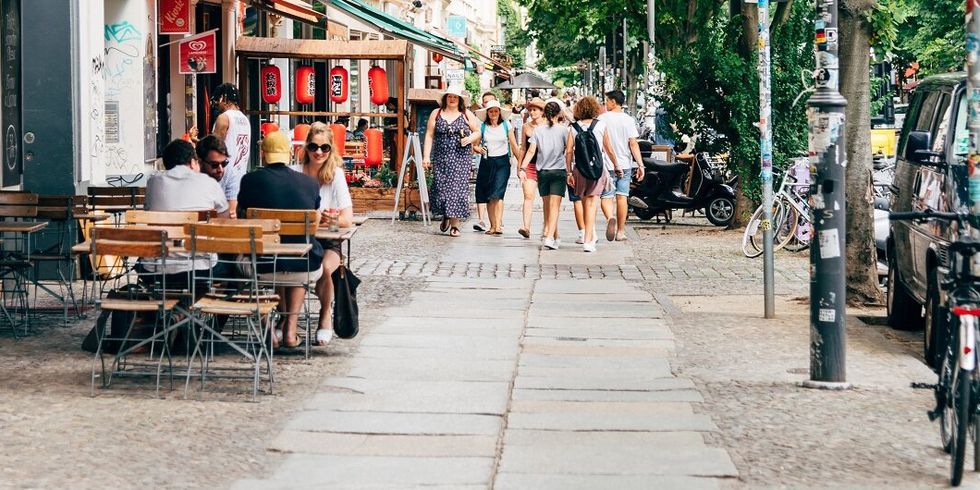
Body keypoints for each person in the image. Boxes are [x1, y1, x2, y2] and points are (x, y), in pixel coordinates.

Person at [237, 130, 324, 349]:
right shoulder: (309, 183)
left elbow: (241, 218)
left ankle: (268, 329)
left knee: (236, 264)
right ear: (290, 154)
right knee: (301, 255)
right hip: (304, 266)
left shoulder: (249, 181)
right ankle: (290, 331)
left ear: (263, 154)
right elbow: (315, 219)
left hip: (261, 266)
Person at [292, 122, 353, 347]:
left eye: (324, 147)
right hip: (299, 238)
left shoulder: (335, 174)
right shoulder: (295, 172)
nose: (318, 152)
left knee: (326, 268)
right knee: (286, 266)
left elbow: (348, 217)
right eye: (314, 147)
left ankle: (325, 314)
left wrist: (332, 219)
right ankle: (287, 319)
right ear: (306, 147)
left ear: (331, 149)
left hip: (328, 240)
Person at [143, 139, 230, 288]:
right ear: (192, 162)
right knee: (230, 265)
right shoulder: (209, 183)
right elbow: (224, 221)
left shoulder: (153, 183)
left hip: (157, 270)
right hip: (201, 268)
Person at [422, 85, 481, 237]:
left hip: (461, 158)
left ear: (460, 100)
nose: (452, 99)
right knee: (441, 189)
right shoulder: (436, 113)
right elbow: (429, 135)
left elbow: (477, 132)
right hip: (441, 157)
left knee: (456, 190)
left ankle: (455, 225)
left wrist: (469, 139)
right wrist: (426, 156)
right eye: (450, 96)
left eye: (455, 97)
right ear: (445, 98)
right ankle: (446, 214)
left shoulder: (466, 114)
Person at [566, 96, 619, 252]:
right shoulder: (600, 125)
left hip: (579, 169)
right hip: (597, 169)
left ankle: (590, 234)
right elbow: (608, 149)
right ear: (595, 109)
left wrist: (569, 172)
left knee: (584, 202)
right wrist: (616, 165)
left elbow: (569, 151)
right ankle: (589, 240)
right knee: (592, 203)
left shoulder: (573, 128)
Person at [598, 89, 646, 241]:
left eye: (607, 101)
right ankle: (620, 232)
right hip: (625, 164)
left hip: (607, 164)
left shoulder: (601, 119)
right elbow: (633, 143)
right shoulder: (628, 120)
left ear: (613, 102)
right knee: (622, 197)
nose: (605, 104)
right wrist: (640, 165)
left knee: (606, 196)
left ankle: (610, 218)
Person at [520, 101, 568, 250]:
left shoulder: (538, 130)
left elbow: (531, 151)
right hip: (558, 171)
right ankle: (549, 237)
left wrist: (522, 167)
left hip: (543, 172)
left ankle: (555, 236)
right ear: (558, 114)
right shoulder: (563, 130)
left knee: (548, 206)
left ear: (545, 113)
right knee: (554, 207)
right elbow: (569, 150)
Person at [474, 100, 522, 235]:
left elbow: (514, 145)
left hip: (502, 163)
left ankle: (498, 226)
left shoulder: (506, 125)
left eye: (496, 111)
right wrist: (479, 149)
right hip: (487, 162)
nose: (493, 113)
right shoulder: (483, 127)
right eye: (491, 111)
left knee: (498, 194)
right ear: (487, 113)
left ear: (500, 112)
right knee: (489, 196)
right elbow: (475, 145)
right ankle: (492, 226)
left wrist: (521, 165)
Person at [210, 83, 250, 218]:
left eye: (218, 99)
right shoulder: (245, 119)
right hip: (240, 171)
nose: (217, 104)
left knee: (218, 214)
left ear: (224, 98)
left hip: (223, 172)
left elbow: (213, 146)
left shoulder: (224, 118)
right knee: (233, 214)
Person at [517, 97, 546, 239]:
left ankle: (547, 228)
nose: (532, 112)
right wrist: (519, 166)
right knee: (528, 196)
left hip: (545, 165)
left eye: (535, 110)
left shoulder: (548, 125)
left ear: (542, 111)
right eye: (530, 110)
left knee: (546, 198)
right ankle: (526, 227)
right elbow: (523, 147)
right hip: (530, 165)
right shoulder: (526, 127)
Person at [472, 91, 497, 232]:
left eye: (490, 101)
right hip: (483, 159)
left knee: (495, 191)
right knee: (481, 188)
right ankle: (481, 220)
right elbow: (474, 144)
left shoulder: (503, 121)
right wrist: (478, 149)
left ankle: (496, 220)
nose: (488, 104)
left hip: (499, 161)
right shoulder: (479, 121)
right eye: (486, 102)